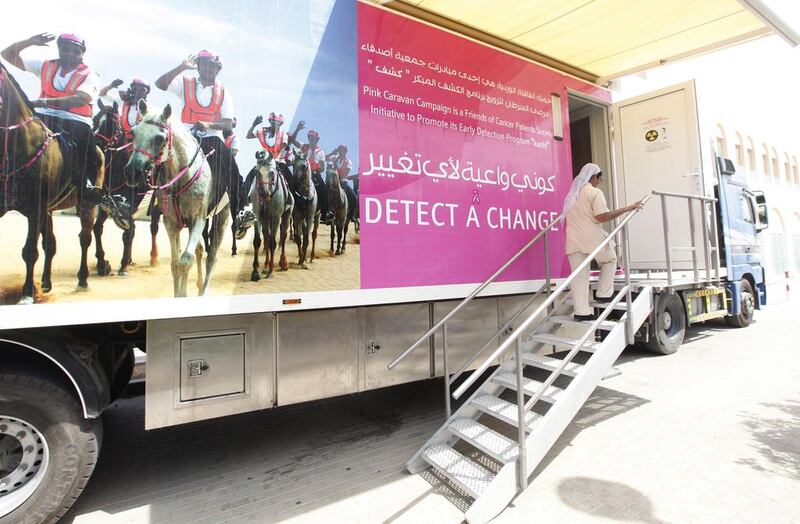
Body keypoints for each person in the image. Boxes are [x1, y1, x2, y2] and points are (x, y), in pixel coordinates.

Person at [1, 32, 119, 214]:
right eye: (65, 49)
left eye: (74, 51)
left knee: (88, 150)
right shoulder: (45, 65)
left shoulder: (90, 75)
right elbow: (7, 55)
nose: (69, 53)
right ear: (59, 50)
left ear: (82, 53)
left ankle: (86, 185)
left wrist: (43, 102)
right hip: (43, 115)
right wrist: (29, 42)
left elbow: (81, 99)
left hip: (75, 121)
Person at [155, 50, 242, 220]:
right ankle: (155, 199)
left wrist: (208, 124)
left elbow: (228, 122)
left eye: (212, 67)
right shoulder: (185, 82)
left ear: (218, 70)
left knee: (232, 169)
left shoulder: (224, 93)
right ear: (198, 67)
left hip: (212, 139)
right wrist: (181, 67)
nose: (208, 69)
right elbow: (160, 84)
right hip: (185, 137)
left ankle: (239, 212)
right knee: (157, 158)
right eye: (204, 65)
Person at [563, 163, 643, 321]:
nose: (599, 182)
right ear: (594, 177)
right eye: (599, 179)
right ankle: (604, 294)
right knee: (610, 259)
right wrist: (628, 208)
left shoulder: (573, 194)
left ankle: (581, 312)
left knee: (579, 277)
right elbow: (602, 216)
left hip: (572, 239)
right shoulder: (594, 192)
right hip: (592, 238)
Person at [288, 123, 330, 223]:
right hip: (301, 173)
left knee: (323, 188)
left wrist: (314, 171)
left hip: (314, 174)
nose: (311, 140)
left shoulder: (321, 152)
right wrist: (297, 129)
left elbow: (323, 168)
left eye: (313, 138)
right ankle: (288, 206)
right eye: (310, 138)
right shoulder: (303, 146)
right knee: (290, 183)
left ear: (317, 140)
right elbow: (293, 141)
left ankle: (325, 212)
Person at [326, 144, 357, 214]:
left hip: (343, 182)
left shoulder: (348, 162)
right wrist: (332, 153)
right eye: (339, 150)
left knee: (353, 197)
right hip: (333, 182)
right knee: (324, 193)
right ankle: (325, 211)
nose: (341, 152)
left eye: (342, 150)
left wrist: (337, 178)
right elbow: (325, 158)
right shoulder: (334, 157)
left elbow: (345, 173)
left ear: (345, 151)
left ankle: (351, 214)